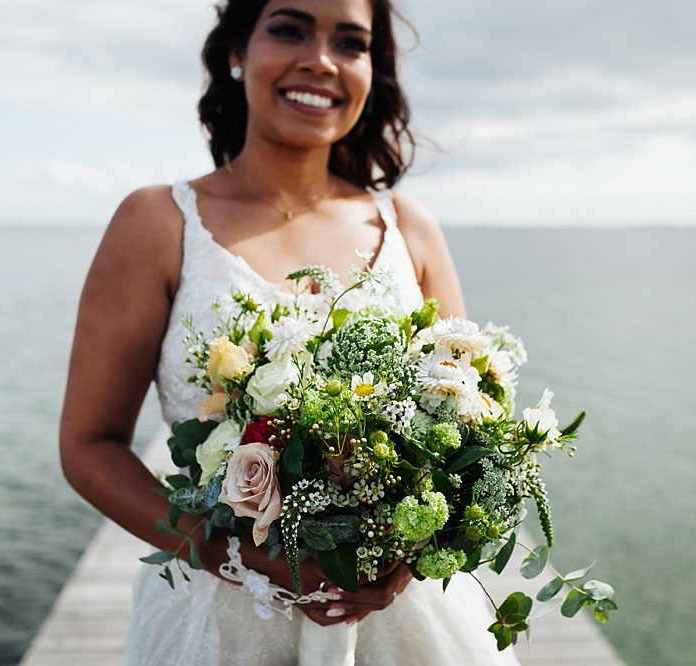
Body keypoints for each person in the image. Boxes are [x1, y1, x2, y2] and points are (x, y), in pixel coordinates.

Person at [60, 1, 521, 663]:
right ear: (235, 52)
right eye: (289, 28)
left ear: (372, 71)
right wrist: (235, 556)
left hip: (403, 629)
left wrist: (410, 560)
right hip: (223, 624)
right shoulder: (156, 224)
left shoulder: (411, 231)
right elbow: (89, 444)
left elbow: (473, 426)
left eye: (351, 42)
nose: (322, 60)